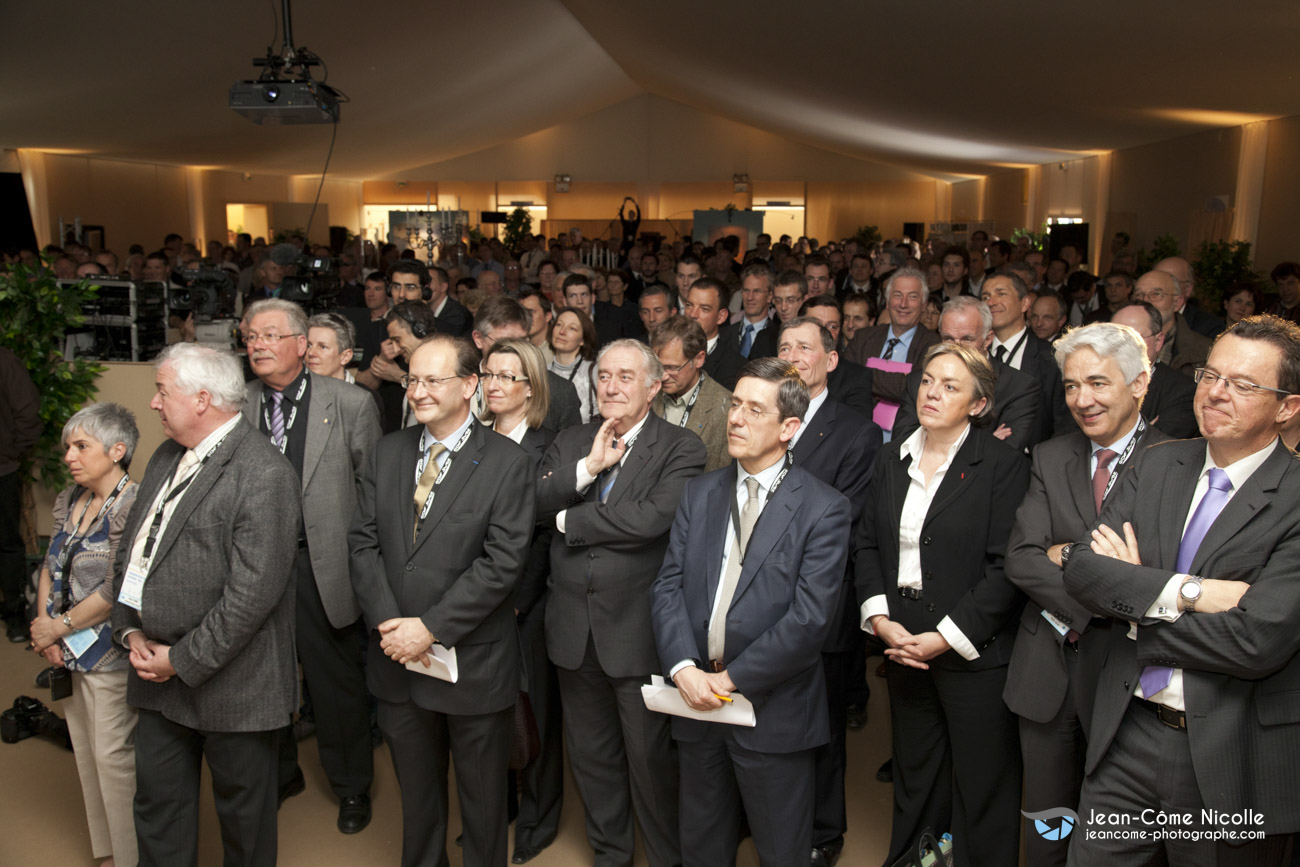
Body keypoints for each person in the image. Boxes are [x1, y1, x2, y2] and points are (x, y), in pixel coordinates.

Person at [1064, 315, 1300, 865]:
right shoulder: (1158, 463)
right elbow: (1081, 570)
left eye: (1243, 385)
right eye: (1210, 374)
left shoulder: (1294, 497)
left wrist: (1132, 614)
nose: (1215, 393)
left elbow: (1256, 640)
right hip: (1127, 736)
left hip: (1230, 753)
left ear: (1287, 406)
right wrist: (1190, 591)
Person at [649, 357, 852, 867]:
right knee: (702, 844)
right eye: (734, 404)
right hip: (695, 700)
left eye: (753, 409)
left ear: (789, 428)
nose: (735, 418)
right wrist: (683, 669)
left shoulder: (823, 508)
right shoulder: (700, 492)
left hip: (772, 709)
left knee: (780, 849)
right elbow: (668, 586)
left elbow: (808, 620)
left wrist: (730, 680)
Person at [110, 342, 301, 867]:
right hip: (153, 673)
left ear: (201, 399)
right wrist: (129, 631)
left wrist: (181, 660)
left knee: (244, 825)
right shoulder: (166, 455)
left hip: (235, 685)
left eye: (161, 391)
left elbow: (251, 596)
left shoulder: (264, 472)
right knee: (158, 811)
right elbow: (135, 550)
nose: (153, 403)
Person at [349, 335, 535, 867]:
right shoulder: (388, 451)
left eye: (434, 380)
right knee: (418, 801)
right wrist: (391, 625)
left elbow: (502, 564)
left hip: (471, 666)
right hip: (396, 663)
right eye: (412, 380)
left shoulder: (506, 462)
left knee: (481, 808)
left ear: (470, 385)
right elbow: (362, 543)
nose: (419, 391)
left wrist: (428, 628)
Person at [854, 342, 1030, 867]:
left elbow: (1007, 569)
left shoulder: (1000, 464)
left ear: (978, 404)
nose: (932, 392)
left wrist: (944, 638)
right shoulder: (892, 456)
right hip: (903, 643)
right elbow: (867, 544)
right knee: (916, 775)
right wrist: (880, 619)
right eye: (929, 379)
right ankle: (915, 860)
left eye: (951, 386)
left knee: (982, 787)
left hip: (971, 651)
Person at [1003, 323, 1170, 867]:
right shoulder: (1052, 455)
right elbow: (1023, 559)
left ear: (1140, 382)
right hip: (1047, 667)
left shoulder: (1177, 461)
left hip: (1127, 680)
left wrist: (1068, 555)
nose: (1082, 399)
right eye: (1072, 386)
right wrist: (1101, 586)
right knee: (1047, 824)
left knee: (1113, 834)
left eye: (1098, 383)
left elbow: (1161, 575)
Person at [537, 339, 707, 867]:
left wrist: (569, 521)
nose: (610, 385)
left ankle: (664, 858)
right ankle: (611, 854)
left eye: (625, 377)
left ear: (654, 387)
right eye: (604, 375)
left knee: (650, 761)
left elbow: (652, 519)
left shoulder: (682, 446)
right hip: (571, 629)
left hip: (638, 632)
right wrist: (586, 470)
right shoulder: (571, 440)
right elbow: (530, 501)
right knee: (591, 757)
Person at [241, 298, 382, 832]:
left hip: (320, 567)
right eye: (251, 335)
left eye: (270, 335)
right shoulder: (239, 403)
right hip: (253, 568)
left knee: (335, 685)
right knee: (259, 677)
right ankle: (281, 774)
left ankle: (351, 788)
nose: (256, 344)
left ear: (301, 344)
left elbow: (371, 497)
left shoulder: (349, 404)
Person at [776, 318, 882, 865]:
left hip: (820, 603)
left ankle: (823, 833)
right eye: (784, 347)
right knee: (765, 720)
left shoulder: (856, 432)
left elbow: (844, 521)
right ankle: (772, 821)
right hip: (756, 606)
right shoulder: (758, 418)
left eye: (805, 347)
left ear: (831, 361)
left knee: (821, 730)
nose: (793, 356)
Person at [30, 403, 140, 867]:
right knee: (88, 754)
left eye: (81, 446)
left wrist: (60, 626)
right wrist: (46, 631)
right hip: (69, 651)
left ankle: (131, 856)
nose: (70, 457)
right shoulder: (70, 499)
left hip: (111, 653)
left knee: (114, 760)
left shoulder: (133, 503)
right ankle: (107, 851)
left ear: (117, 451)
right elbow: (50, 565)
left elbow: (119, 587)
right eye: (68, 447)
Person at [479, 338, 562, 864]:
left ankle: (538, 818)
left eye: (507, 376)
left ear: (529, 388)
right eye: (488, 373)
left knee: (535, 716)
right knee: (485, 717)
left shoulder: (548, 447)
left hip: (525, 605)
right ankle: (498, 809)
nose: (493, 384)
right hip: (475, 605)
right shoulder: (473, 441)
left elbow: (544, 535)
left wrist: (514, 602)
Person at [892, 296, 1044, 454]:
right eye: (948, 338)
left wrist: (932, 442)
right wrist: (982, 442)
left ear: (987, 340)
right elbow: (902, 444)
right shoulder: (918, 381)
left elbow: (1004, 455)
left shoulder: (1019, 387)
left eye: (967, 339)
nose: (956, 348)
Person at [843, 268, 941, 441]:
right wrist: (900, 379)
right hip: (856, 437)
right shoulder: (863, 337)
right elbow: (845, 379)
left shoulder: (933, 345)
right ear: (887, 302)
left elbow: (914, 388)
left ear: (924, 304)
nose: (903, 304)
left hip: (905, 442)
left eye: (912, 297)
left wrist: (864, 374)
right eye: (897, 295)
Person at [650, 315, 734, 472]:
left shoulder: (726, 407)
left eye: (673, 367)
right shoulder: (648, 396)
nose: (663, 376)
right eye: (658, 366)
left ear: (699, 359)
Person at [1111, 301, 1199, 439]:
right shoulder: (1088, 382)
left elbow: (1159, 449)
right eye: (1115, 337)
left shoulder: (1183, 391)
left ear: (1158, 342)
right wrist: (1140, 434)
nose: (1123, 346)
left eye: (1134, 338)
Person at [1, 346, 41, 642]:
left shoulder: (5, 361)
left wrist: (10, 452)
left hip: (1, 469)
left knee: (7, 544)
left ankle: (14, 613)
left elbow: (28, 411)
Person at [1133, 269, 1212, 377]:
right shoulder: (1117, 342)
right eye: (1139, 295)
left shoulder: (1203, 351)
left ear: (1177, 303)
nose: (1145, 301)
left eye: (1156, 294)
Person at [684, 277, 745, 390]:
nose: (692, 314)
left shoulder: (734, 365)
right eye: (689, 305)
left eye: (704, 309)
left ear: (721, 317)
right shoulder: (668, 352)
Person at [718, 261, 778, 359]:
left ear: (770, 296)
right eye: (746, 291)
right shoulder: (723, 335)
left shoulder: (777, 337)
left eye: (757, 291)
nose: (750, 297)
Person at [549, 307, 598, 423]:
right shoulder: (540, 371)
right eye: (559, 325)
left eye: (572, 328)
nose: (562, 331)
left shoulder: (595, 371)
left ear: (583, 340)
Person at [306, 312, 358, 382]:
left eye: (323, 347)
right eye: (308, 345)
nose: (311, 353)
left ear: (345, 357)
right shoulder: (292, 391)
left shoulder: (363, 393)